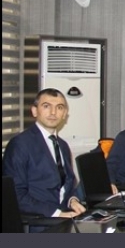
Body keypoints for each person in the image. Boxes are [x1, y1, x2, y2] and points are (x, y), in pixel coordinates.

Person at [2, 88, 85, 218]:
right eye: (46, 106)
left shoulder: (63, 145)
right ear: (34, 111)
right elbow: (15, 195)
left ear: (64, 114)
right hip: (38, 221)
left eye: (59, 107)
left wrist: (72, 201)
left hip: (65, 217)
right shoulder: (20, 144)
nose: (53, 112)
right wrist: (57, 214)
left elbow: (67, 186)